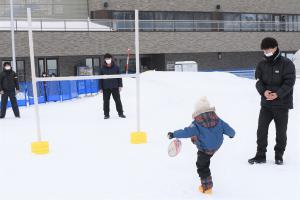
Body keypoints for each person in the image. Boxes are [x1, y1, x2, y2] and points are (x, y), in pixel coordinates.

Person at [167, 97, 235, 194]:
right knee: (198, 134)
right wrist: (232, 135)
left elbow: (186, 132)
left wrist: (173, 134)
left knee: (202, 165)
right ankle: (197, 139)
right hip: (217, 145)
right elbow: (229, 129)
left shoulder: (196, 124)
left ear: (197, 111)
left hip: (205, 149)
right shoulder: (217, 119)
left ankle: (207, 188)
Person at [248, 37, 296, 165]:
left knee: (281, 133)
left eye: (268, 49)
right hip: (266, 105)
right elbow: (258, 81)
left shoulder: (287, 63)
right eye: (264, 50)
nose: (266, 52)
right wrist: (263, 92)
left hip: (282, 105)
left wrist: (277, 94)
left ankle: (279, 155)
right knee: (261, 130)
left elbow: (289, 82)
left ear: (275, 48)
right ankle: (260, 155)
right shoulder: (262, 64)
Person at [99, 53, 125, 119]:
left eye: (109, 58)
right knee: (106, 101)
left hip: (115, 87)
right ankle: (106, 114)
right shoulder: (102, 68)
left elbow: (119, 77)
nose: (108, 60)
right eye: (106, 59)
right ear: (105, 60)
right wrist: (100, 88)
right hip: (106, 88)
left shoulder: (116, 67)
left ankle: (121, 113)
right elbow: (100, 79)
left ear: (111, 59)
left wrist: (120, 85)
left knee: (118, 100)